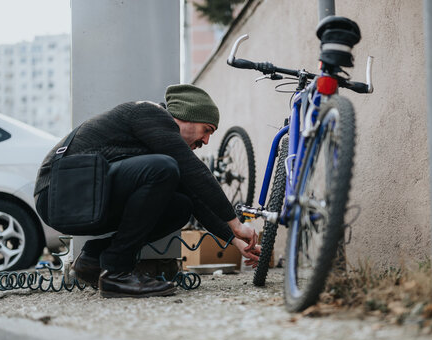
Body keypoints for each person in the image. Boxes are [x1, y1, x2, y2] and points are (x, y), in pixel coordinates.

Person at [34, 84, 261, 298]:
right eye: (206, 130)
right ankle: (117, 273)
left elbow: (197, 196)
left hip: (82, 194)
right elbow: (196, 171)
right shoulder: (147, 113)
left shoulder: (159, 138)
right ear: (186, 116)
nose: (207, 140)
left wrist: (234, 239)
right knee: (164, 168)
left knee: (182, 206)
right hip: (57, 193)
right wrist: (236, 223)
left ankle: (94, 259)